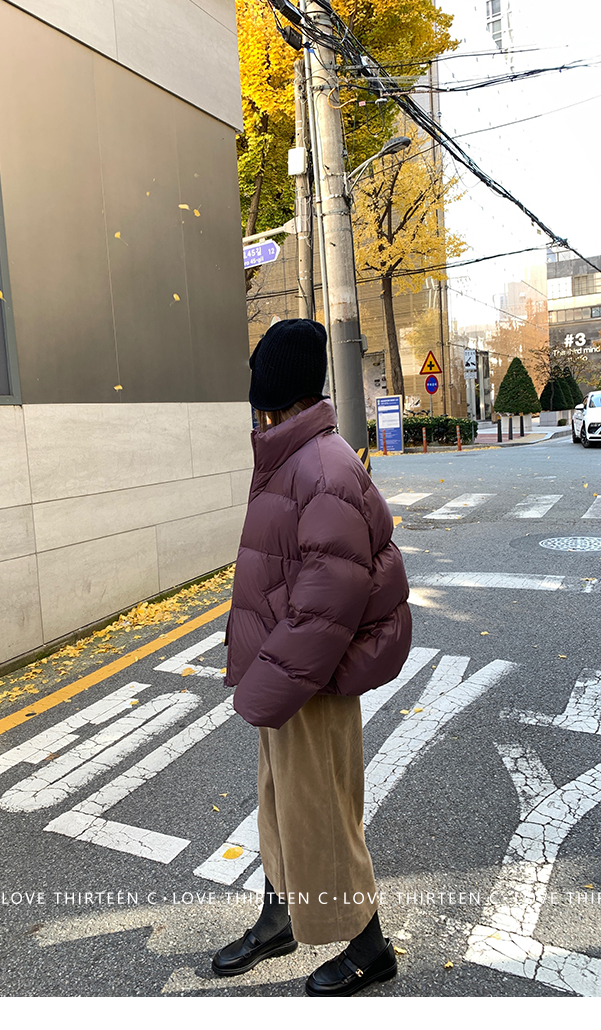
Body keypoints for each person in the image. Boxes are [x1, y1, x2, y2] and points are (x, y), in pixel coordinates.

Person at [212, 318, 411, 997]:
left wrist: (268, 685)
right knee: (282, 806)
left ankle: (370, 947)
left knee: (319, 813)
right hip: (290, 669)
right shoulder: (292, 455)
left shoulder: (322, 466)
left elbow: (328, 603)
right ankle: (279, 919)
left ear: (274, 391)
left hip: (310, 680)